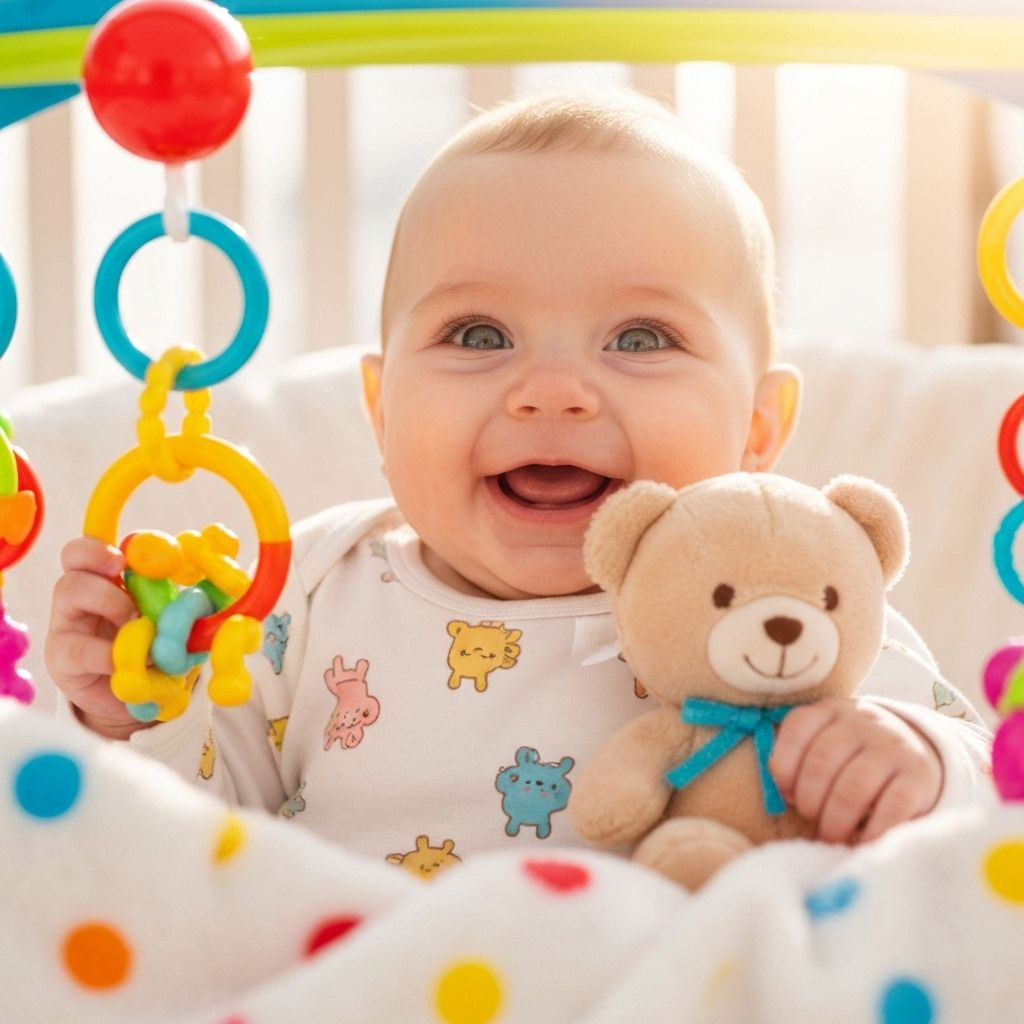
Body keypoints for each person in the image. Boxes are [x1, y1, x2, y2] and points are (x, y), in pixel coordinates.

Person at [45, 89, 991, 867]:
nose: (550, 393)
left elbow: (983, 784)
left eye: (641, 338)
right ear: (380, 409)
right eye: (478, 335)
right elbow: (210, 848)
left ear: (756, 430)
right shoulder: (316, 592)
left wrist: (919, 763)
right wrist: (139, 717)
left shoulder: (784, 595)